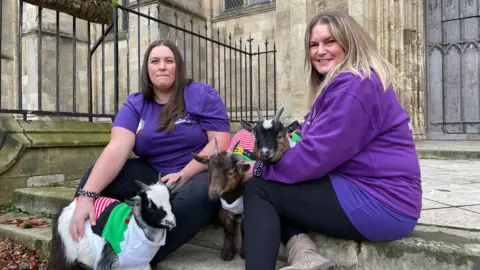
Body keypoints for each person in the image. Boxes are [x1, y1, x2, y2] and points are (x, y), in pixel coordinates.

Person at [240, 10, 422, 270]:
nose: (320, 51)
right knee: (280, 184)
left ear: (350, 43)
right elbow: (305, 137)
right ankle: (305, 255)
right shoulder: (345, 84)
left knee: (260, 187)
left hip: (382, 203)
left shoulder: (355, 86)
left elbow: (315, 157)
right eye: (314, 45)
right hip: (366, 190)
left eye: (330, 42)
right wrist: (259, 151)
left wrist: (258, 168)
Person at [68, 40, 231, 266]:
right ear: (147, 69)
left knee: (201, 193)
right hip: (154, 175)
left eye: (169, 61)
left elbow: (219, 142)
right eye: (155, 61)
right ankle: (84, 242)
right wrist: (86, 197)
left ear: (178, 66)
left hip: (197, 173)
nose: (162, 66)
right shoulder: (136, 103)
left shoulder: (201, 94)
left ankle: (137, 257)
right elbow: (117, 147)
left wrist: (182, 175)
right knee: (94, 180)